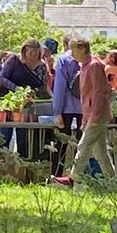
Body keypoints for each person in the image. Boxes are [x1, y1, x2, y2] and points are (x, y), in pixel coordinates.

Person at [52, 39, 115, 186]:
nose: (72, 53)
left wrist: (94, 116)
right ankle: (113, 180)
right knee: (100, 151)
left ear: (82, 50)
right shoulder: (85, 66)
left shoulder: (94, 66)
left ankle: (73, 177)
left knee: (83, 145)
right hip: (91, 113)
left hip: (97, 114)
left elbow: (99, 93)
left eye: (74, 50)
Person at [0, 39, 47, 158]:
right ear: (24, 52)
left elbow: (43, 85)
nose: (33, 57)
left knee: (24, 139)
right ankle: (0, 164)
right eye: (30, 54)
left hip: (28, 106)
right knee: (4, 137)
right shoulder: (14, 60)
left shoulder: (42, 66)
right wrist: (16, 88)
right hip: (7, 103)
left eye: (36, 54)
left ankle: (22, 167)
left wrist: (34, 94)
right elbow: (2, 77)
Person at [51, 42, 82, 176]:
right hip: (84, 108)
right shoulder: (87, 60)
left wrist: (57, 111)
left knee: (61, 144)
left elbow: (59, 86)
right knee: (82, 146)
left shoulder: (63, 60)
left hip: (66, 107)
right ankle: (78, 175)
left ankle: (56, 174)